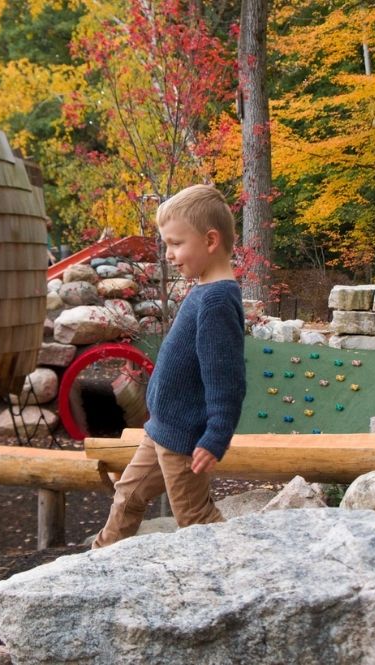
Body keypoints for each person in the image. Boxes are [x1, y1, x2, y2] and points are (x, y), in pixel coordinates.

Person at [91, 184, 246, 549]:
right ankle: (98, 561)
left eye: (176, 244)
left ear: (210, 241)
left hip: (184, 441)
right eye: (167, 245)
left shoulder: (217, 301)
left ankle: (238, 572)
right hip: (161, 429)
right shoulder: (204, 289)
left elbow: (226, 378)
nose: (169, 255)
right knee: (127, 497)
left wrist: (216, 435)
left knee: (196, 520)